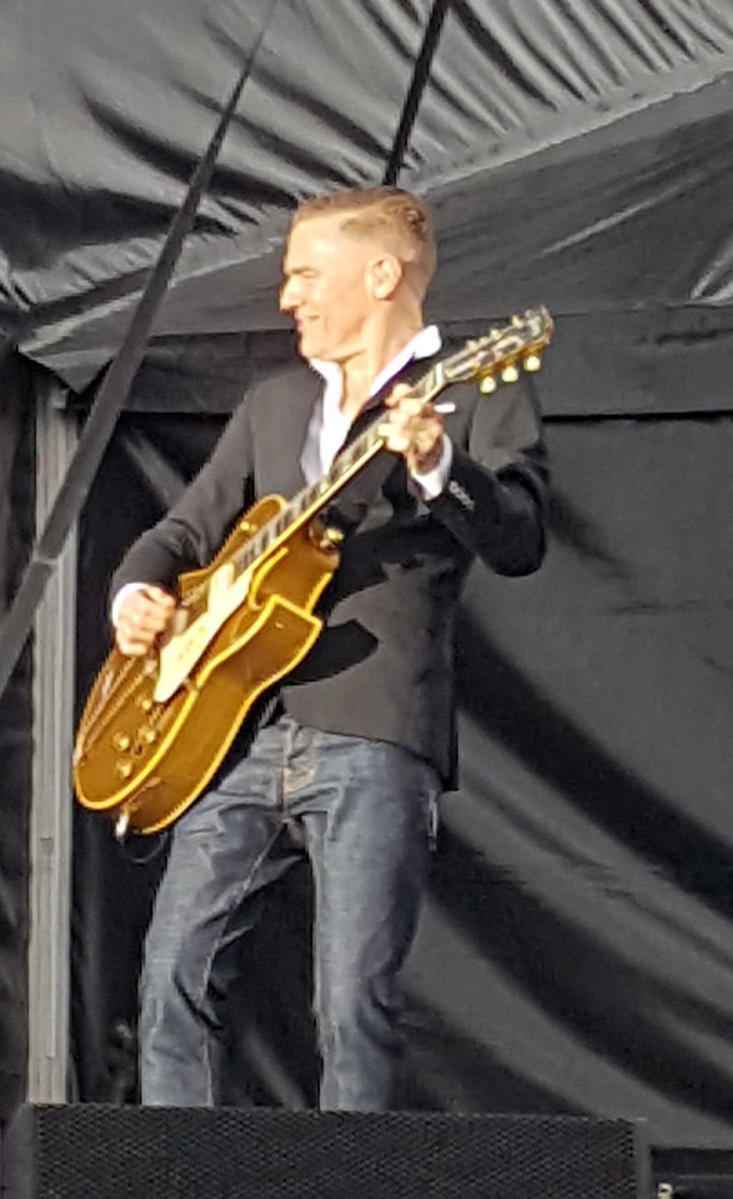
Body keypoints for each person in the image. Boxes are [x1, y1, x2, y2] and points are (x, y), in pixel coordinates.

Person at [110, 185, 547, 1110]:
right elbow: (182, 533)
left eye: (306, 273)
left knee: (352, 1005)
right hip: (236, 732)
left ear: (381, 274)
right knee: (170, 983)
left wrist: (434, 463)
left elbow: (517, 540)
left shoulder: (470, 392)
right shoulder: (276, 404)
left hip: (371, 726)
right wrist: (137, 596)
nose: (288, 297)